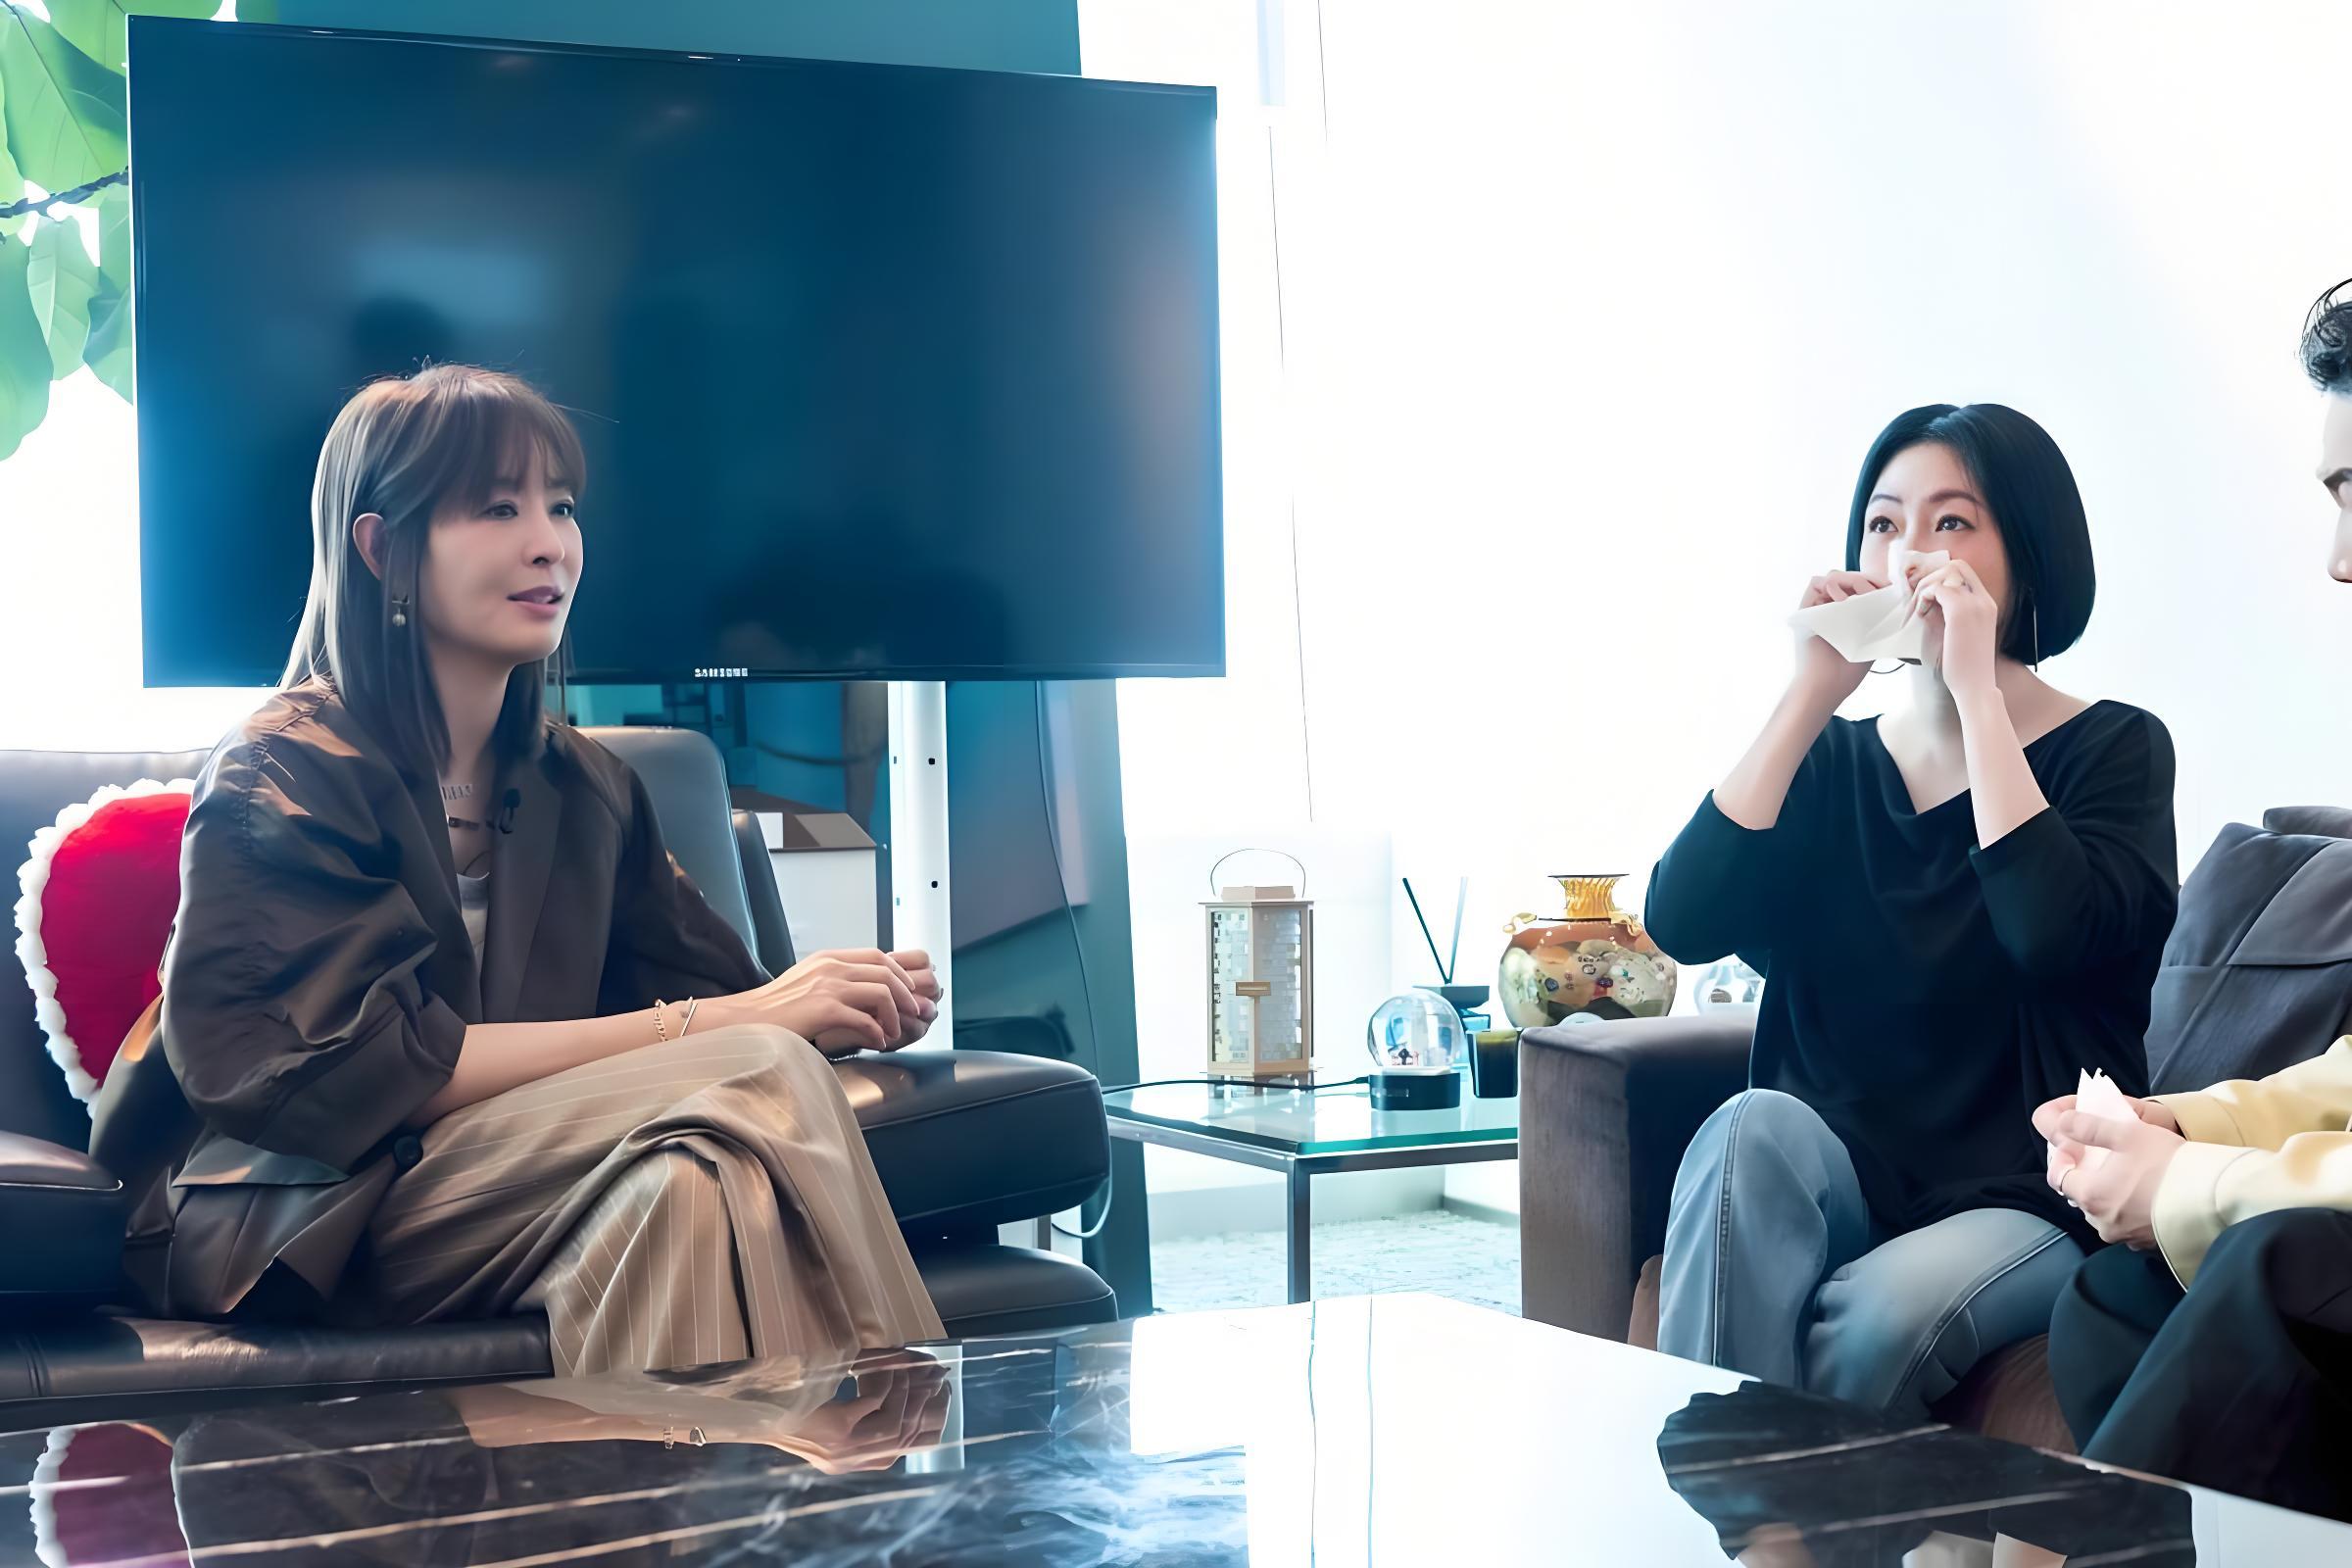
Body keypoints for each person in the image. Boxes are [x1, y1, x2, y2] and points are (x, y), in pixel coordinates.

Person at [142, 364, 945, 1374]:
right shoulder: (284, 771)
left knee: (689, 1187)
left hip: (517, 1191)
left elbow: (718, 1001)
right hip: (318, 1213)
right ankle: (903, 1448)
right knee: (758, 1069)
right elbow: (360, 1072)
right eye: (498, 508)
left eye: (561, 507)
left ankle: (671, 1484)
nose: (549, 543)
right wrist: (755, 1022)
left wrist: (838, 1004)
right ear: (382, 548)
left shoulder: (589, 787)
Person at [1647, 403, 2179, 1420]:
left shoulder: (2117, 749)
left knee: (1873, 1316)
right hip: (1840, 1179)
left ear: (2027, 555)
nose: (1911, 554)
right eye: (1885, 524)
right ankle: (1735, 1504)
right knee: (1746, 1125)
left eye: (1952, 522)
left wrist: (1976, 692)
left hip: (2029, 1194)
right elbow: (1680, 923)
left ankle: (1752, 1496)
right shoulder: (1831, 762)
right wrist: (1810, 695)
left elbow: (2047, 935)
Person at [2037, 278, 2352, 1522]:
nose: (2338, 561)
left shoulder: (2109, 747)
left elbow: (2046, 929)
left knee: (2272, 1263)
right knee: (2117, 1298)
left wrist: (2185, 1184)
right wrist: (2186, 1120)